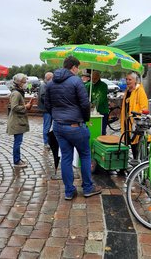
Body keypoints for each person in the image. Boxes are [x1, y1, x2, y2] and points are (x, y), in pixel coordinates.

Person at [45, 56, 101, 200]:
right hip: (75, 126)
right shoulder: (76, 81)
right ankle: (88, 188)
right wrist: (85, 119)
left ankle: (69, 191)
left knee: (66, 158)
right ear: (74, 67)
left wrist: (57, 116)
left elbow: (47, 105)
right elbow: (84, 104)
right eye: (78, 68)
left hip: (58, 126)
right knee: (85, 155)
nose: (78, 71)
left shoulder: (51, 83)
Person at [120, 71, 148, 162]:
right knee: (129, 141)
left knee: (136, 142)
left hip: (135, 122)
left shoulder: (139, 90)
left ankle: (141, 162)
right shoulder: (128, 91)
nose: (127, 81)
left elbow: (144, 107)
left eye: (130, 80)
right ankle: (134, 160)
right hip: (127, 121)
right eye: (126, 79)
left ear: (135, 80)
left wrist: (138, 118)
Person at [7, 73, 33, 168]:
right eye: (24, 82)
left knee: (18, 141)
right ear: (19, 82)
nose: (25, 83)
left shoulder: (18, 92)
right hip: (16, 121)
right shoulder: (16, 93)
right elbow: (14, 107)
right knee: (17, 142)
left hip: (18, 120)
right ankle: (16, 161)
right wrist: (25, 106)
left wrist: (26, 106)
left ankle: (17, 159)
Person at [85, 70, 109, 135]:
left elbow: (101, 98)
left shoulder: (103, 85)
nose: (93, 80)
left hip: (102, 110)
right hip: (91, 112)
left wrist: (92, 104)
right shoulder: (88, 85)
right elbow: (84, 96)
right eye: (92, 78)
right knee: (91, 128)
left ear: (99, 77)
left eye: (95, 78)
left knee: (102, 129)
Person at [38, 72, 53, 150]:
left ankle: (47, 142)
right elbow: (43, 97)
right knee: (46, 126)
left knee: (47, 126)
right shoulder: (44, 85)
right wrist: (51, 104)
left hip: (47, 109)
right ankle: (46, 142)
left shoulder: (45, 85)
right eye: (52, 78)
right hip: (46, 110)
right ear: (49, 78)